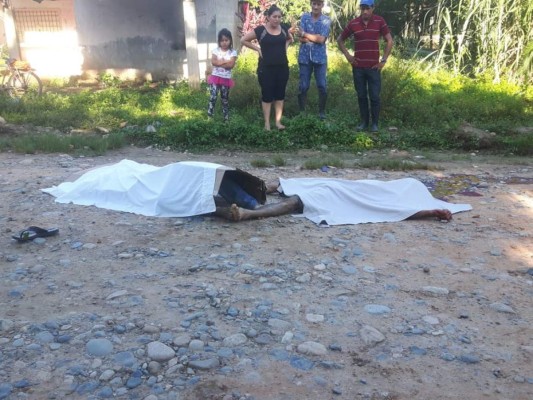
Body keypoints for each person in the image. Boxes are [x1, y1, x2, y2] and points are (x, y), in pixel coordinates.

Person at [337, 0, 393, 133]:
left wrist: (383, 60)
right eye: (362, 8)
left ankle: (374, 124)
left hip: (374, 67)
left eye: (367, 8)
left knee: (374, 96)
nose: (365, 11)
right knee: (361, 96)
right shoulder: (354, 23)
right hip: (358, 68)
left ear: (373, 8)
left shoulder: (380, 21)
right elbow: (340, 40)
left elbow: (389, 40)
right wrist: (348, 56)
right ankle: (364, 122)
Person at [241, 5, 293, 131]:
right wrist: (258, 49)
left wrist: (284, 48)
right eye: (274, 16)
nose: (277, 19)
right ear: (268, 17)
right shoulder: (261, 30)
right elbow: (243, 40)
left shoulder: (284, 28)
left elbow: (290, 39)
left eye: (279, 17)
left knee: (280, 95)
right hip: (266, 69)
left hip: (282, 68)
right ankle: (267, 124)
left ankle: (278, 122)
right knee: (267, 95)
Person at [295, 0, 331, 120]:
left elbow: (322, 40)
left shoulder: (326, 20)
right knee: (303, 86)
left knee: (322, 86)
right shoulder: (305, 17)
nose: (316, 7)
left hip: (320, 59)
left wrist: (305, 34)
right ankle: (302, 113)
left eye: (318, 4)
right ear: (311, 4)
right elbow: (300, 39)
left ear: (322, 5)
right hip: (305, 58)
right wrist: (314, 38)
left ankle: (321, 112)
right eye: (314, 4)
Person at [207, 28, 238, 121]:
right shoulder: (215, 51)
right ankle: (209, 116)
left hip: (225, 79)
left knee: (225, 99)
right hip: (215, 78)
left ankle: (226, 118)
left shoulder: (233, 52)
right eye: (222, 40)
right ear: (219, 41)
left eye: (226, 40)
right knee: (213, 97)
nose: (224, 43)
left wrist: (219, 62)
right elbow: (213, 62)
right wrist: (225, 62)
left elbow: (231, 65)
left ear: (230, 40)